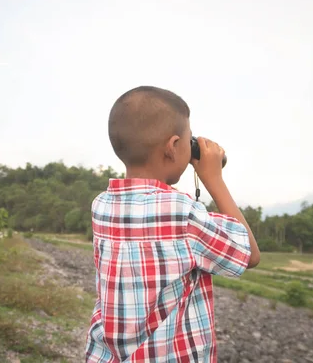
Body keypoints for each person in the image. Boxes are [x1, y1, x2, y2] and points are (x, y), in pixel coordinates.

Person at [84, 85, 261, 362]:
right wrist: (214, 179)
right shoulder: (183, 214)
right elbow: (249, 253)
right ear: (173, 146)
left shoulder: (101, 206)